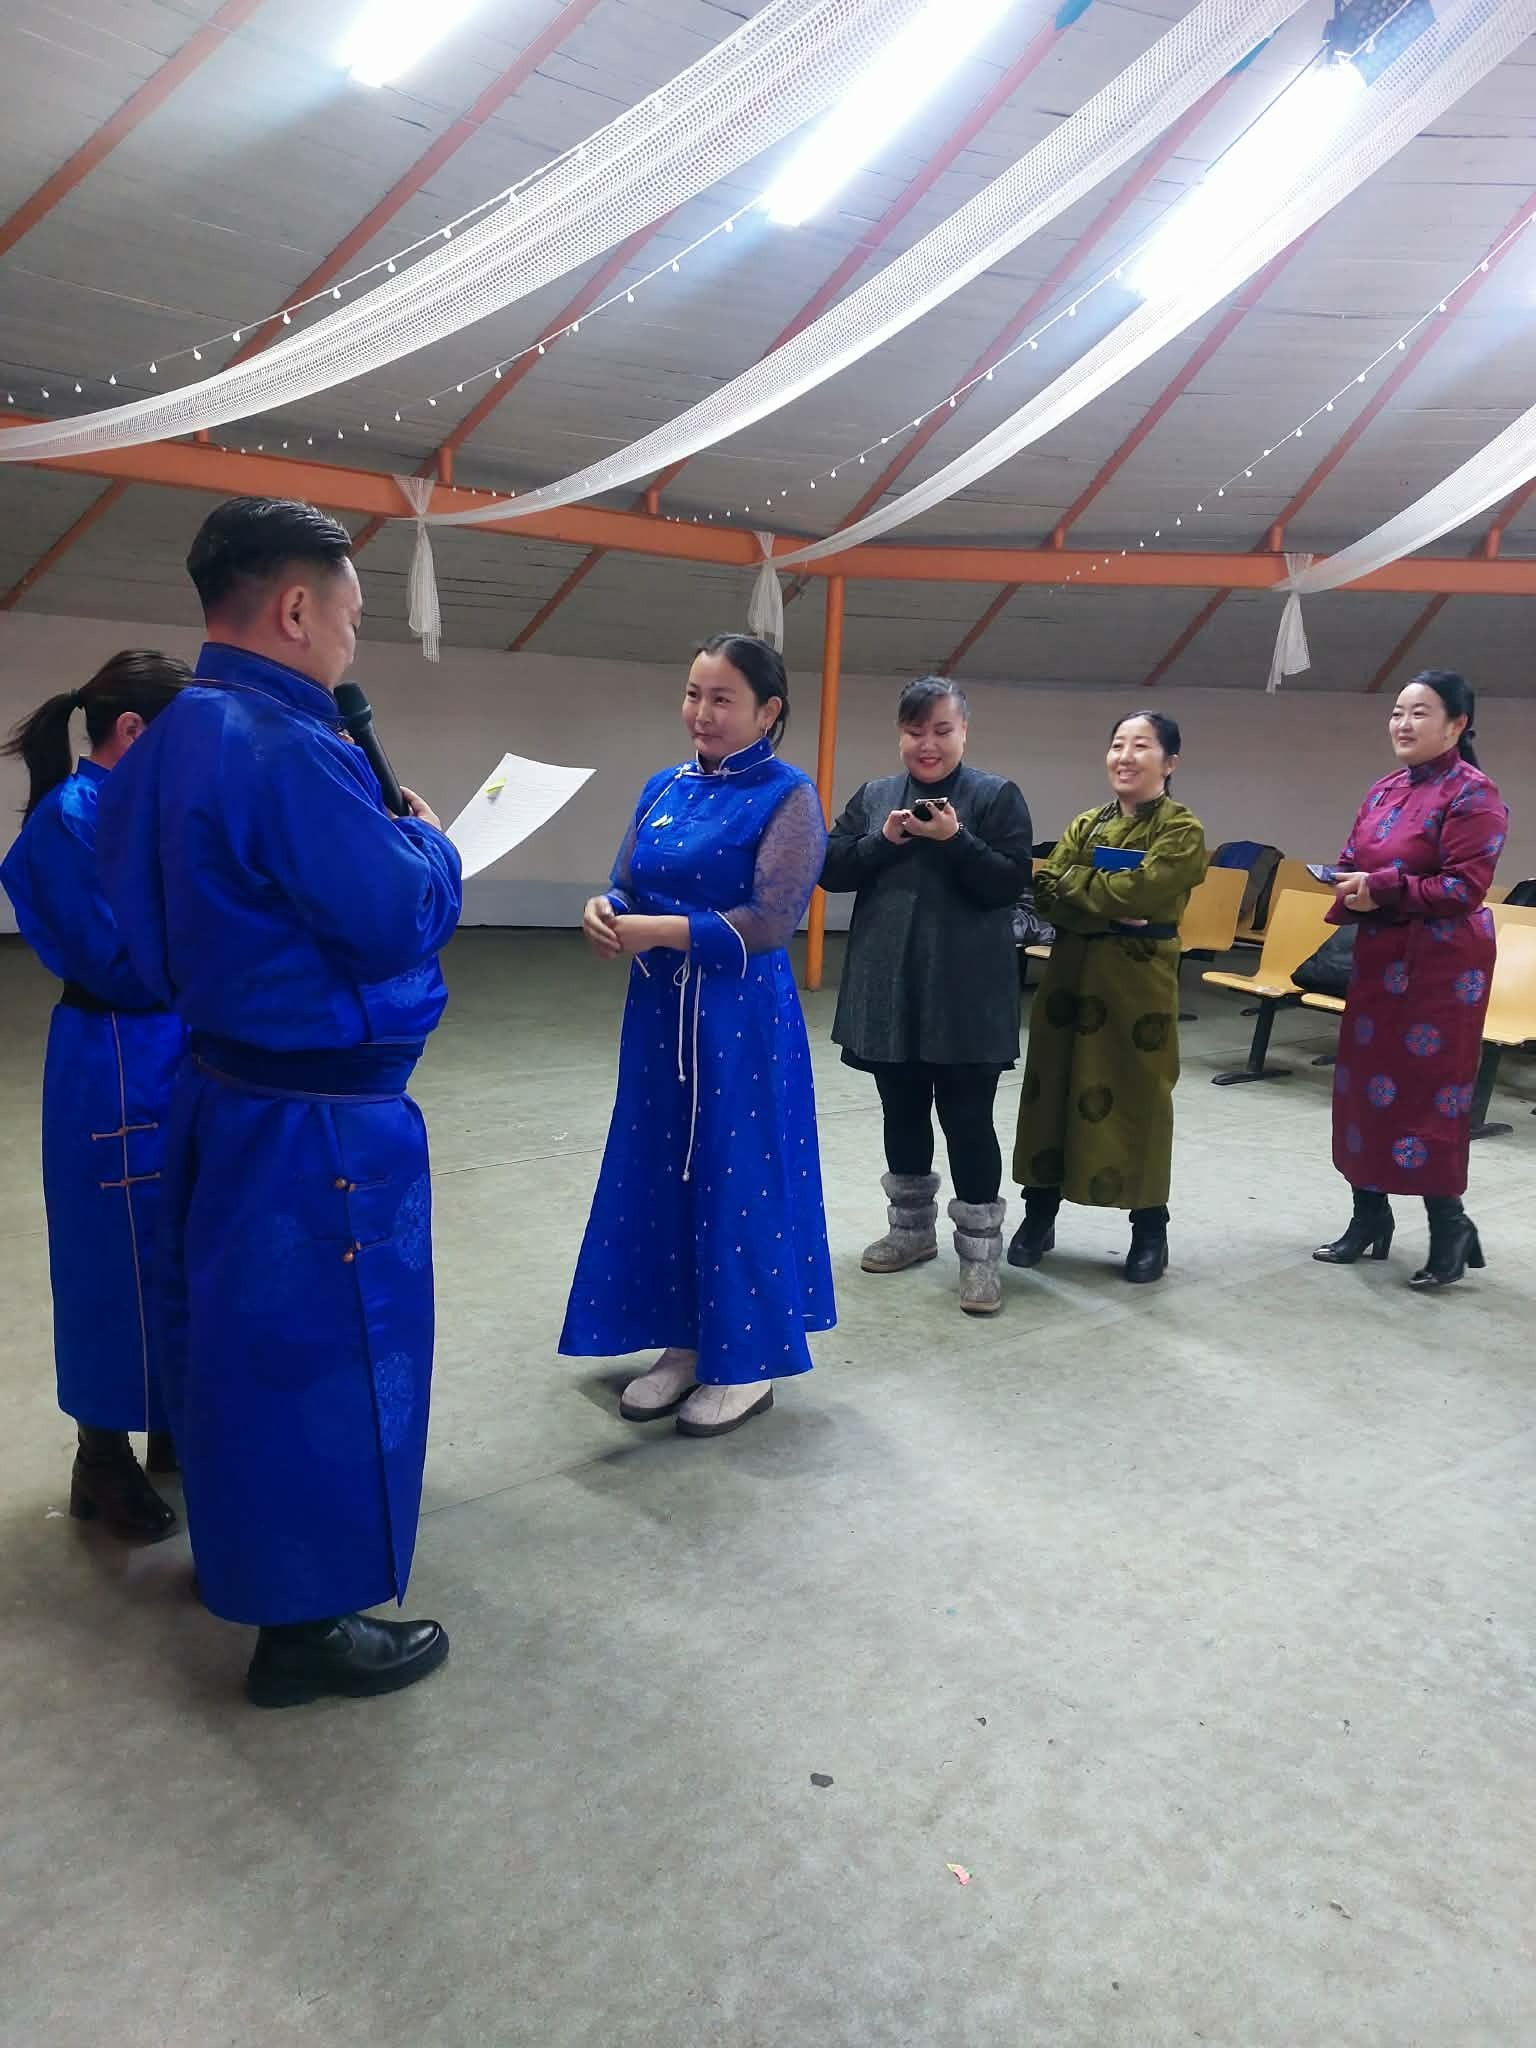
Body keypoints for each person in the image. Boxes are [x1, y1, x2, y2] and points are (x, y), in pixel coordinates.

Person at [96, 497, 463, 1707]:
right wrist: (434, 848)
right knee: (325, 1356)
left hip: (220, 1085)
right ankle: (307, 1624)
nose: (351, 642)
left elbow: (137, 930)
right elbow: (391, 915)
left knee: (237, 1355)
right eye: (350, 618)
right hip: (316, 1125)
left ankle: (247, 1555)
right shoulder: (286, 745)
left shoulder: (167, 742)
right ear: (297, 608)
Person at [563, 633, 834, 1437]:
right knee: (663, 1170)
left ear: (767, 711)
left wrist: (657, 931)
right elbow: (628, 881)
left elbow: (769, 923)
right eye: (693, 694)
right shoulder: (663, 786)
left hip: (738, 1021)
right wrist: (606, 908)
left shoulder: (789, 796)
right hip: (658, 1018)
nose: (701, 713)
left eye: (722, 699)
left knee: (736, 1171)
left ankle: (747, 1362)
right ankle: (685, 1342)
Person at [1, 652, 191, 1540]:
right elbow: (120, 959)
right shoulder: (71, 820)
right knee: (112, 1258)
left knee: (178, 1241)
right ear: (133, 732)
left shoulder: (139, 808)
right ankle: (101, 1457)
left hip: (169, 1045)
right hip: (112, 1053)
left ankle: (171, 1421)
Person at [821, 677, 1033, 1315]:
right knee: (902, 1111)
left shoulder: (996, 796)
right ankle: (910, 1232)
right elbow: (830, 869)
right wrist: (881, 841)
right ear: (900, 735)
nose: (928, 744)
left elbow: (1008, 884)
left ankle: (980, 1257)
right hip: (890, 989)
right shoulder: (875, 797)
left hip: (968, 995)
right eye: (916, 731)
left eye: (942, 730)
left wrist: (955, 839)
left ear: (964, 732)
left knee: (969, 1120)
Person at [1313, 670, 1506, 1288]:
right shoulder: (1384, 789)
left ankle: (1450, 1227)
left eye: (1420, 713)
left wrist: (1382, 888)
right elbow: (1354, 858)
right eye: (1397, 711)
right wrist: (1350, 882)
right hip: (1379, 959)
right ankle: (1368, 1217)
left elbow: (1464, 887)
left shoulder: (1475, 794)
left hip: (1442, 971)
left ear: (1457, 725)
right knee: (1363, 1090)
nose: (1403, 723)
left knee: (1430, 1096)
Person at [1008, 711, 1205, 1284]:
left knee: (1141, 1097)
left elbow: (1142, 892)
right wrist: (1106, 902)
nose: (1125, 756)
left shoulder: (1182, 830)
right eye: (1118, 744)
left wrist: (1088, 892)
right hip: (1070, 977)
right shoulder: (1086, 823)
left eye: (1141, 746)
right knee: (1051, 1090)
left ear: (1169, 762)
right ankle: (1038, 1215)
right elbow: (1046, 893)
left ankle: (1150, 1231)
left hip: (1137, 982)